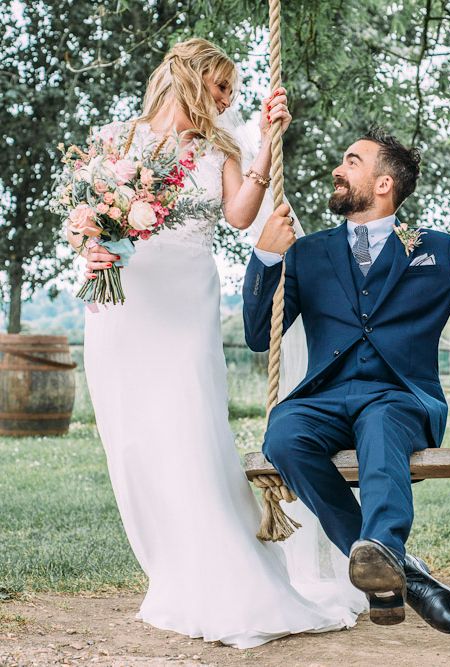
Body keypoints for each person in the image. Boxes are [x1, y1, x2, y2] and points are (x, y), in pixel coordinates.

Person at [67, 38, 365, 650]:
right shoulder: (114, 141)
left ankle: (228, 574)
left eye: (232, 90)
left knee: (189, 428)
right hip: (121, 305)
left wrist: (263, 145)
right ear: (186, 77)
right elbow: (83, 221)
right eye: (220, 86)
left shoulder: (220, 149)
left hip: (185, 304)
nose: (226, 98)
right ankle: (174, 571)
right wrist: (87, 248)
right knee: (137, 441)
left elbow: (237, 215)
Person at [243, 128, 450, 633]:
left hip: (399, 397)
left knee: (381, 422)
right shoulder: (307, 253)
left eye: (352, 161)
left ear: (383, 184)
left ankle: (385, 554)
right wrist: (265, 256)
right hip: (326, 398)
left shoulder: (434, 250)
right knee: (283, 434)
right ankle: (398, 568)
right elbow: (259, 336)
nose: (338, 168)